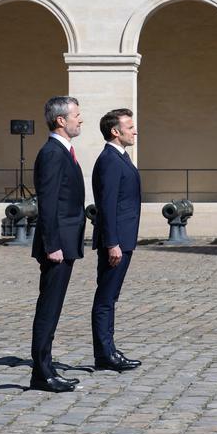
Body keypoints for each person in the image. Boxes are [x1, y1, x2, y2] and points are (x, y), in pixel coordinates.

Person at [30, 96, 85, 393]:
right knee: (48, 308)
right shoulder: (52, 153)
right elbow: (48, 203)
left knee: (53, 308)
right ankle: (41, 373)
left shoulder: (64, 151)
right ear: (61, 120)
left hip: (65, 242)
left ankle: (46, 368)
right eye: (76, 115)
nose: (80, 119)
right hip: (57, 246)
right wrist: (52, 245)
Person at [90, 109, 143, 372]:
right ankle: (104, 354)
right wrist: (112, 243)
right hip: (116, 241)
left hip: (124, 238)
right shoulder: (110, 160)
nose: (135, 131)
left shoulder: (120, 157)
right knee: (106, 297)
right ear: (115, 131)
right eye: (130, 127)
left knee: (111, 296)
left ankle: (109, 350)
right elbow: (107, 205)